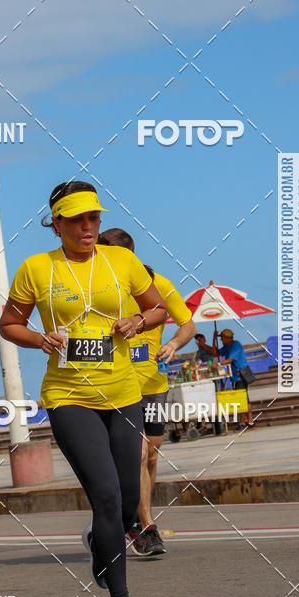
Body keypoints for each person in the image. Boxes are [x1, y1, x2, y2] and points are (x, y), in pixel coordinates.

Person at [0, 181, 167, 597]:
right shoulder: (37, 269)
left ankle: (101, 539)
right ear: (56, 224)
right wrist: (41, 339)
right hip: (70, 396)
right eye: (76, 219)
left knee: (129, 502)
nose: (87, 226)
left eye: (93, 217)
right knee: (108, 498)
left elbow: (158, 311)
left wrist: (137, 320)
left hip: (124, 392)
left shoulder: (122, 261)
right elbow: (10, 324)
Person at [99, 228, 196, 557]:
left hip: (154, 387)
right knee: (139, 454)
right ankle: (146, 525)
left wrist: (172, 343)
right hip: (119, 386)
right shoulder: (102, 291)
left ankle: (136, 517)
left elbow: (188, 325)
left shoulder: (159, 286)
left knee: (151, 456)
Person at [215, 328, 254, 429]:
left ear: (228, 338)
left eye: (222, 338)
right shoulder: (226, 347)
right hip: (236, 377)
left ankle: (245, 422)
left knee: (242, 399)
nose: (221, 340)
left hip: (241, 375)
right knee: (242, 398)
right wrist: (213, 339)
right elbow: (216, 353)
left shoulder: (235, 345)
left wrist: (218, 364)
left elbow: (230, 359)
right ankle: (248, 422)